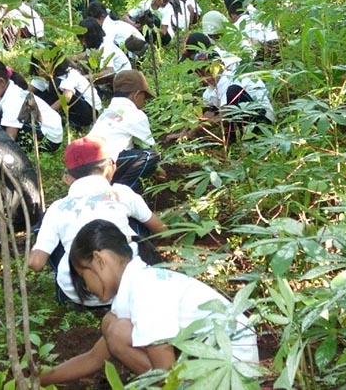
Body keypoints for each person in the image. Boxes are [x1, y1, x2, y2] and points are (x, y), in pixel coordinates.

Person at [39, 219, 259, 386]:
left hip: (235, 373)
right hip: (216, 362)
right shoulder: (137, 285)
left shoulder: (146, 290)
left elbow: (165, 369)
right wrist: (40, 379)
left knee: (116, 331)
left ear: (99, 260)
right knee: (112, 326)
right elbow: (94, 358)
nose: (87, 287)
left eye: (83, 277)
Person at [28, 137, 167, 306]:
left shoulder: (57, 208)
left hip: (81, 293)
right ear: (111, 167)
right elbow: (160, 229)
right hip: (128, 284)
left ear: (67, 179)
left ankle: (67, 293)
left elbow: (36, 263)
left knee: (56, 235)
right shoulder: (121, 193)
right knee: (136, 223)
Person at [88, 70, 160, 192]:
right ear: (136, 94)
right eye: (144, 97)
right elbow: (148, 145)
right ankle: (121, 194)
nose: (144, 102)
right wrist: (160, 171)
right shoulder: (135, 114)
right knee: (150, 156)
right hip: (104, 163)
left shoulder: (107, 112)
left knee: (133, 153)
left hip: (87, 163)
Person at [0, 59, 63, 152]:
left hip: (50, 138)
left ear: (1, 82)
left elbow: (10, 139)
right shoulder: (2, 91)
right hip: (43, 126)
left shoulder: (13, 100)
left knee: (3, 133)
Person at [29, 50, 102, 129]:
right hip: (68, 109)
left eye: (43, 67)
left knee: (57, 87)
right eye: (37, 67)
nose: (40, 71)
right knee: (36, 95)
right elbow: (28, 91)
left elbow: (66, 98)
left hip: (88, 110)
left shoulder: (69, 74)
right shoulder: (42, 77)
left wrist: (46, 114)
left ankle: (69, 121)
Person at [77, 17, 132, 86]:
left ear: (91, 37)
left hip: (124, 81)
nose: (83, 44)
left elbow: (108, 71)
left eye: (84, 40)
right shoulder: (96, 44)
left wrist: (83, 78)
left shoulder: (105, 47)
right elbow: (84, 55)